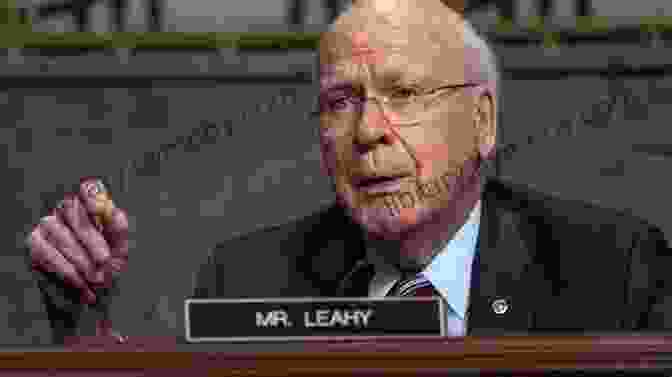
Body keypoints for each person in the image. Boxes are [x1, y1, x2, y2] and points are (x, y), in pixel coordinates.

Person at [26, 0, 671, 344]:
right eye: (341, 101)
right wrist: (87, 331)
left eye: (408, 95)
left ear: (482, 123)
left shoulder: (616, 270)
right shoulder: (251, 278)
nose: (368, 131)